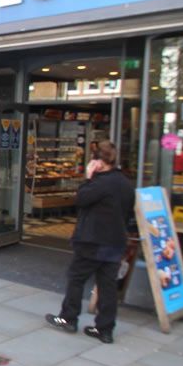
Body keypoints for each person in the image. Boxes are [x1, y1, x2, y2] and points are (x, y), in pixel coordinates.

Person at [46, 140, 136, 344]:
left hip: (93, 241)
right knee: (108, 286)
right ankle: (105, 330)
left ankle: (68, 318)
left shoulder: (100, 182)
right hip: (115, 243)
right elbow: (128, 212)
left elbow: (81, 199)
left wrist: (88, 177)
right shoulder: (125, 183)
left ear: (99, 162)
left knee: (76, 278)